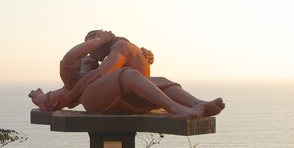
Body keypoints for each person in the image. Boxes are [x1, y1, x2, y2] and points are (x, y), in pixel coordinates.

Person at [30, 30, 225, 119]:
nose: (91, 55)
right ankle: (175, 108)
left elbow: (115, 74)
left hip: (118, 99)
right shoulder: (73, 74)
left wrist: (143, 57)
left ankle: (197, 103)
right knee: (127, 74)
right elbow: (70, 59)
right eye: (87, 52)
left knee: (161, 81)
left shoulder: (104, 66)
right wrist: (100, 39)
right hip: (93, 100)